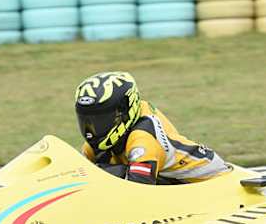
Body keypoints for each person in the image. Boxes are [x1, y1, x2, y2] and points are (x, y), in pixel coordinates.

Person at [74, 71, 230, 185]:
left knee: (108, 174)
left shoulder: (143, 139)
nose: (92, 129)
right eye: (86, 120)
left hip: (209, 182)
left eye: (101, 120)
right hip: (169, 181)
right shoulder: (96, 143)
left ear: (125, 111)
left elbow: (139, 189)